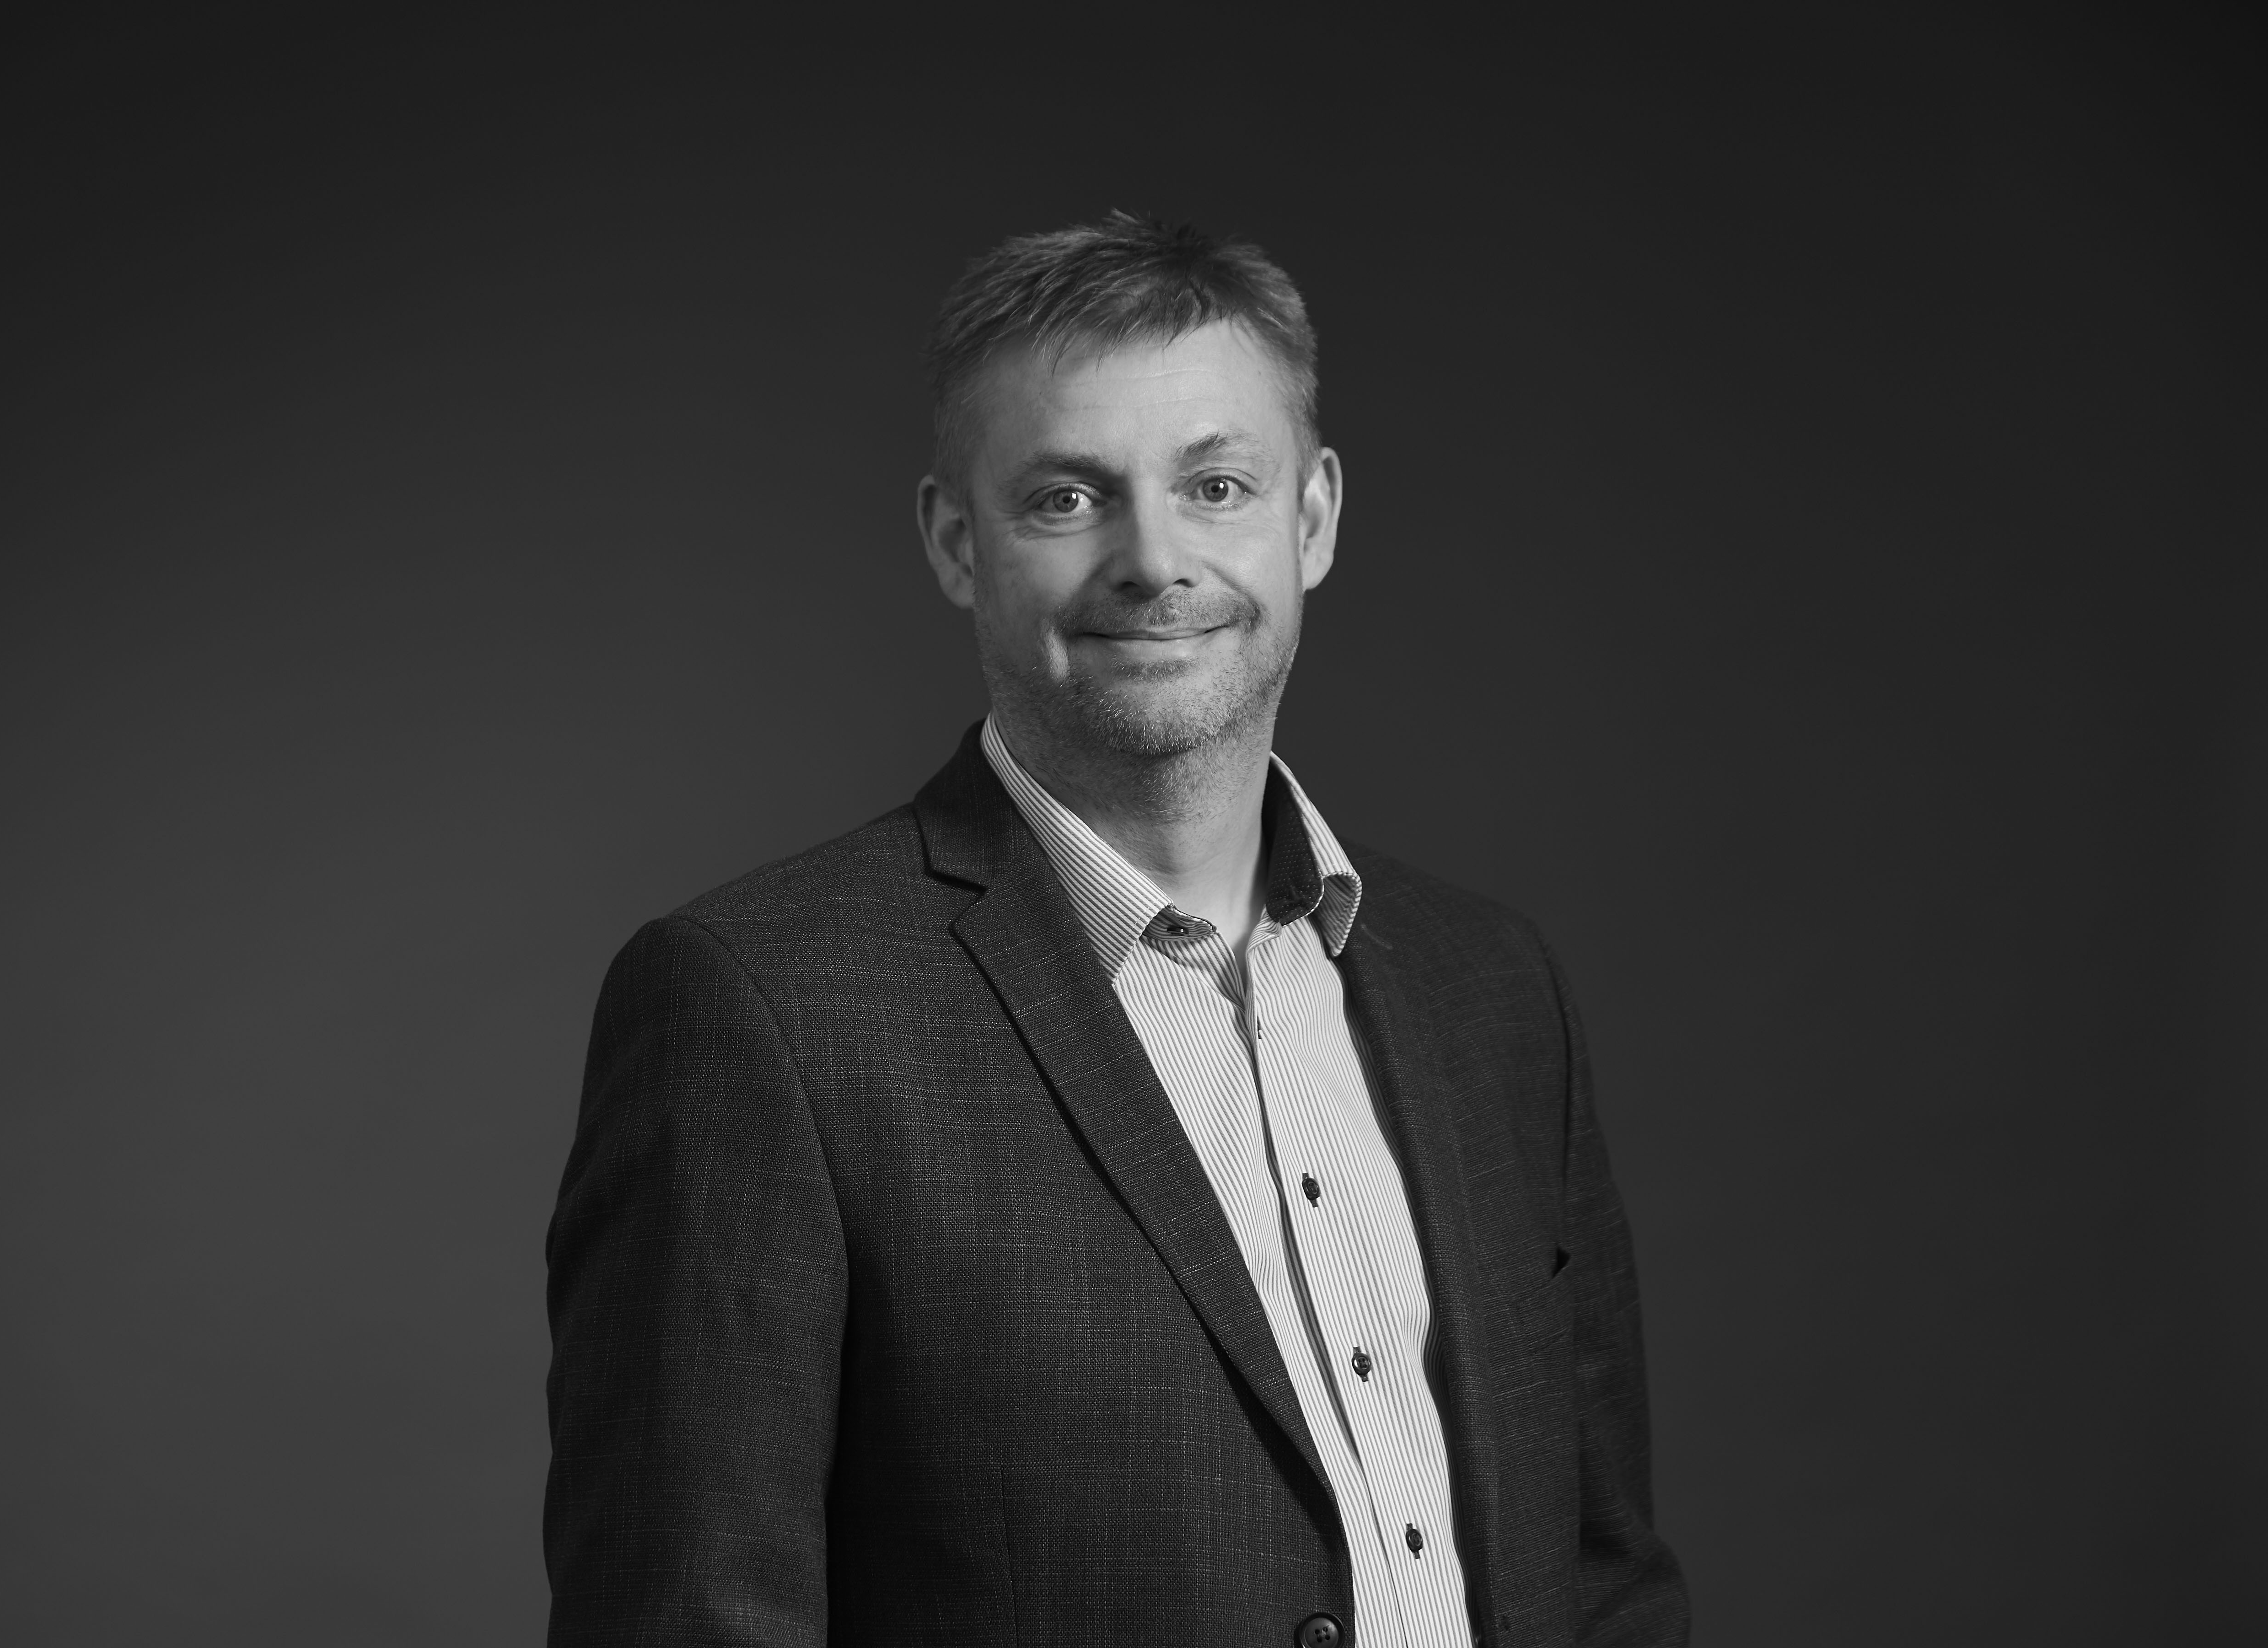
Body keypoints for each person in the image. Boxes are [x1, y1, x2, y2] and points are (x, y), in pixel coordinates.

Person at [545, 212, 1688, 1648]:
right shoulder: (760, 1010)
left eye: (1215, 485)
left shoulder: (1491, 990)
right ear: (956, 542)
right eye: (1066, 498)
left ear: (1312, 518)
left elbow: (1602, 1579)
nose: (1154, 560)